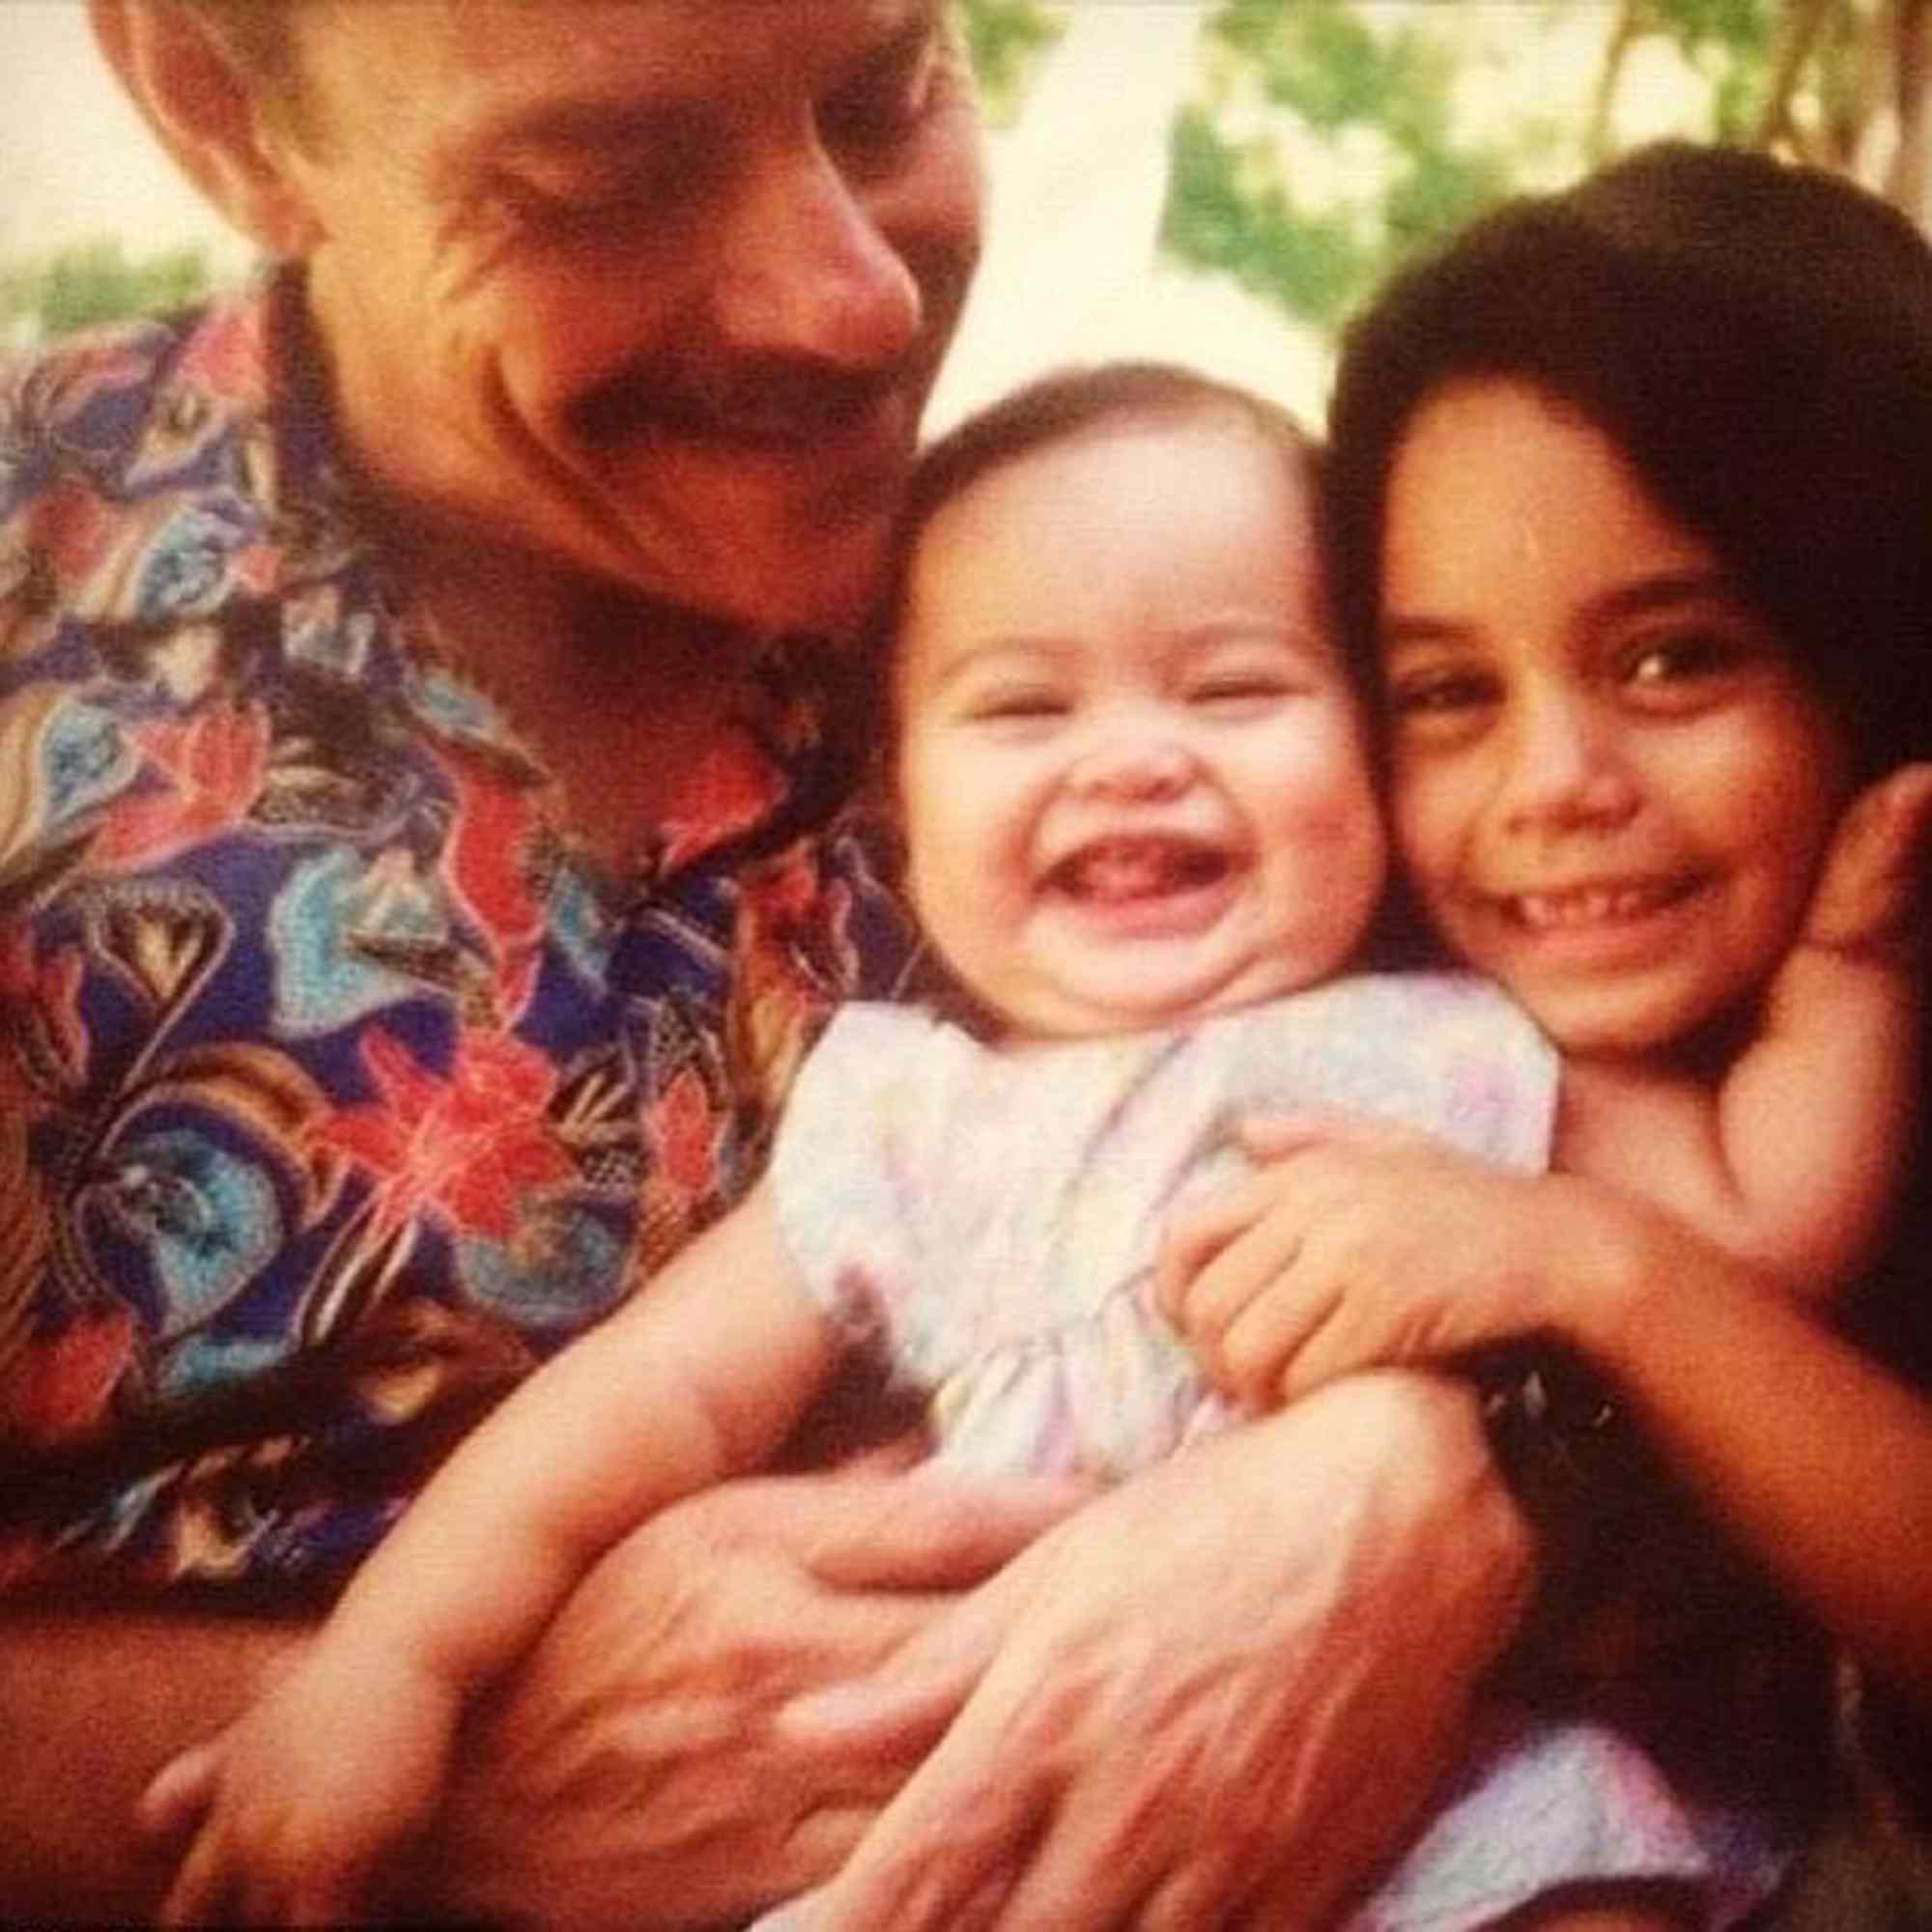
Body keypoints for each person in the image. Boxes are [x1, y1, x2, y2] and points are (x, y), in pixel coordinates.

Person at [0, 5, 1548, 1925]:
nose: (851, 307)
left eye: (888, 90)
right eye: (606, 178)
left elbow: (1654, 1173)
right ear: (222, 103)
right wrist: (420, 1770)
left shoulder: (1114, 568)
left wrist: (1428, 1474)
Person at [141, 360, 1928, 1930]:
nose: (1134, 761)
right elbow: (631, 1415)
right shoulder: (905, 1119)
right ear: (898, 799)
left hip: (1447, 1805)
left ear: (1371, 753)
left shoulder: (1471, 1052)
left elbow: (1761, 1229)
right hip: (979, 1830)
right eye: (1025, 708)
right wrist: (388, 1670)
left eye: (1235, 690)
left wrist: (1845, 977)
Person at [1157, 138, 1932, 1913]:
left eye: (1673, 658)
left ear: (1874, 637)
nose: (1556, 785)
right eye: (1448, 694)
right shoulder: (1385, 1037)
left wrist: (1594, 1266)